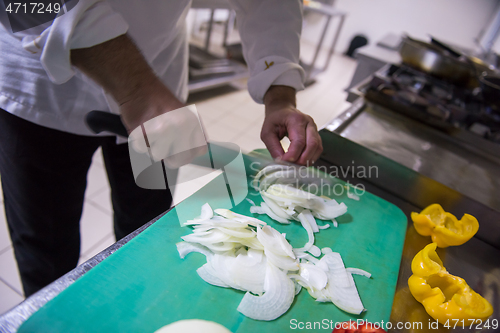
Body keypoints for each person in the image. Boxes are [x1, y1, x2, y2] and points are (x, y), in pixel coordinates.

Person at [0, 0, 323, 297]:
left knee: (145, 230)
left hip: (158, 74)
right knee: (47, 251)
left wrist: (280, 94)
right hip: (39, 87)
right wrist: (138, 91)